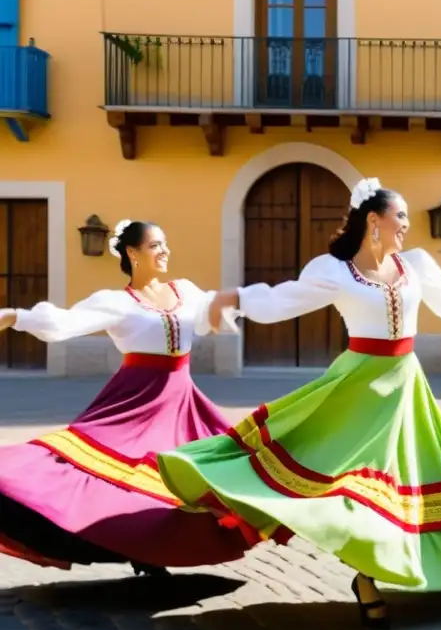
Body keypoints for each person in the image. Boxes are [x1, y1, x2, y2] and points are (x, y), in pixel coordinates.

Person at [154, 178, 441, 629]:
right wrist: (235, 298)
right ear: (375, 220)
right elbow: (283, 298)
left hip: (405, 386)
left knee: (398, 480)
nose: (406, 225)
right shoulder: (334, 270)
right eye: (400, 216)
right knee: (354, 482)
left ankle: (380, 571)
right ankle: (367, 577)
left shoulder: (417, 265)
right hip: (355, 386)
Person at [0, 220, 258, 575]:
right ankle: (139, 549)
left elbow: (219, 308)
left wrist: (258, 303)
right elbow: (63, 323)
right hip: (133, 401)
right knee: (118, 472)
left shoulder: (186, 291)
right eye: (155, 245)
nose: (165, 251)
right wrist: (15, 316)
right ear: (133, 253)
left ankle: (154, 549)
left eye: (165, 243)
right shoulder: (115, 302)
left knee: (199, 471)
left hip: (181, 399)